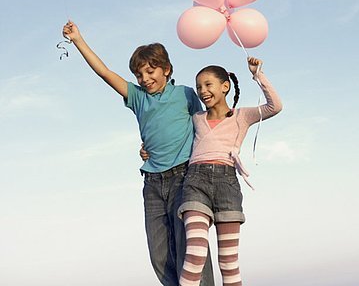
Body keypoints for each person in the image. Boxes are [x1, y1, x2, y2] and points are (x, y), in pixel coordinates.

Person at [62, 21, 215, 286]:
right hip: (153, 183)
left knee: (191, 248)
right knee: (159, 254)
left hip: (184, 179)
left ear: (166, 69)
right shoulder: (137, 97)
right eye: (139, 74)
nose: (144, 79)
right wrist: (78, 40)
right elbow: (105, 73)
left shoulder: (186, 95)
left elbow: (202, 127)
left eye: (150, 71)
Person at [177, 56, 283, 286]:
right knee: (195, 255)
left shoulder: (241, 116)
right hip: (195, 183)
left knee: (228, 263)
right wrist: (146, 150)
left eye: (208, 84)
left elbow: (275, 106)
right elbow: (172, 137)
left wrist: (258, 75)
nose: (202, 91)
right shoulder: (195, 119)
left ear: (225, 86)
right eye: (198, 87)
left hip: (227, 186)